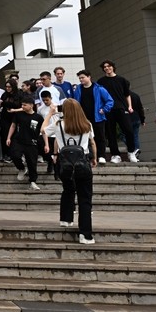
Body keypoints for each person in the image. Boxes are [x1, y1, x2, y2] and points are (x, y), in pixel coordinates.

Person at [54, 98, 97, 245]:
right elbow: (92, 142)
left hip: (65, 164)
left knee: (68, 189)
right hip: (82, 162)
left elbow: (42, 130)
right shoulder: (87, 124)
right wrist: (95, 158)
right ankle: (85, 235)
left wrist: (51, 114)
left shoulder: (58, 125)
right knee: (85, 198)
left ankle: (65, 219)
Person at [70, 70, 113, 165]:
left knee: (100, 137)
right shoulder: (78, 89)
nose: (81, 80)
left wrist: (104, 109)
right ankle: (88, 156)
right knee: (85, 137)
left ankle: (101, 156)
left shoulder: (99, 88)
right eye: (80, 78)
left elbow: (110, 101)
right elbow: (75, 103)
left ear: (89, 77)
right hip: (83, 118)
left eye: (82, 77)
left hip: (98, 117)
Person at [97, 60, 138, 162]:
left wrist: (130, 106)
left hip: (121, 108)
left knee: (128, 130)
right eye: (105, 67)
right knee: (111, 133)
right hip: (108, 110)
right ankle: (115, 155)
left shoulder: (122, 80)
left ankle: (131, 152)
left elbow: (127, 94)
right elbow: (99, 97)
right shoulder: (101, 82)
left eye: (109, 66)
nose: (107, 68)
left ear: (113, 67)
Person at [6, 99, 44, 191]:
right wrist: (8, 137)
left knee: (32, 163)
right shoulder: (19, 115)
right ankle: (21, 168)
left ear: (31, 105)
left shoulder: (38, 117)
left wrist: (46, 144)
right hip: (19, 140)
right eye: (22, 105)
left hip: (32, 142)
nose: (22, 107)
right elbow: (13, 125)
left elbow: (43, 131)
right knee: (15, 155)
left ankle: (33, 181)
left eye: (25, 105)